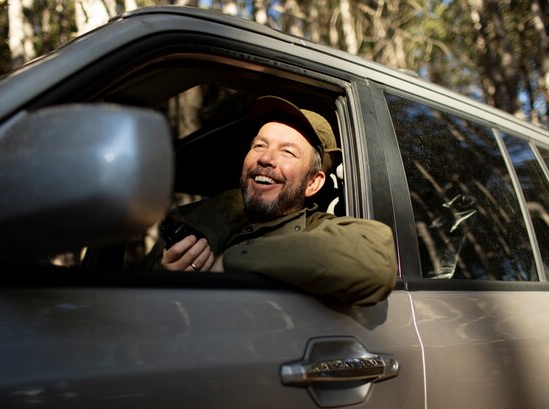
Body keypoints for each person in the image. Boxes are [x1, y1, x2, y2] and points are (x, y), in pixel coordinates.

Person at [155, 96, 397, 305]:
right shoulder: (198, 216)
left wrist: (231, 262)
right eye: (259, 145)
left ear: (313, 183)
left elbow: (377, 260)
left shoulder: (318, 229)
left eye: (287, 152)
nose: (266, 158)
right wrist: (163, 273)